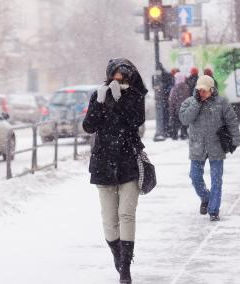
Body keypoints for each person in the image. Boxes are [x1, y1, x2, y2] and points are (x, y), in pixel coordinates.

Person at [83, 58, 147, 284]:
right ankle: (118, 256)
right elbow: (89, 126)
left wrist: (120, 101)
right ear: (110, 75)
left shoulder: (135, 96)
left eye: (123, 76)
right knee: (109, 219)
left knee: (126, 214)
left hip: (128, 162)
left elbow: (135, 123)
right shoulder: (98, 95)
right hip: (103, 164)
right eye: (116, 76)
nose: (119, 80)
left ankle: (126, 268)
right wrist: (100, 102)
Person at [179, 75, 240, 221]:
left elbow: (232, 120)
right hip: (197, 146)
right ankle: (206, 197)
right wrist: (197, 103)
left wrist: (236, 139)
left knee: (216, 179)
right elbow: (185, 119)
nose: (202, 93)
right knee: (194, 176)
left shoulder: (221, 102)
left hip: (216, 145)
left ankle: (213, 210)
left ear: (212, 90)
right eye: (199, 90)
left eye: (205, 91)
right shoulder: (189, 102)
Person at [169, 72, 190, 140]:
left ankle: (175, 135)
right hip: (184, 108)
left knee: (175, 122)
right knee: (183, 122)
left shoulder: (174, 88)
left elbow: (172, 99)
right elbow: (188, 98)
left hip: (176, 109)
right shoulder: (186, 87)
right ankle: (183, 134)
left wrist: (172, 109)